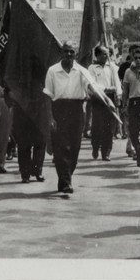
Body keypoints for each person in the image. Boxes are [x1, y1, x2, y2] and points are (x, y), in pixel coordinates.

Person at [43, 40, 98, 193]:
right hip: (59, 109)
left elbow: (91, 87)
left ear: (76, 54)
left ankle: (65, 178)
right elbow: (47, 96)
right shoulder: (52, 71)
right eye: (66, 51)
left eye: (71, 52)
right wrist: (50, 118)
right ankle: (66, 181)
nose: (68, 54)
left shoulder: (82, 71)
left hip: (76, 110)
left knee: (75, 147)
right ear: (62, 52)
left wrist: (97, 94)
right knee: (62, 147)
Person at [88, 45, 122, 161]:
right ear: (97, 55)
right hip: (98, 98)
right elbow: (92, 84)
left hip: (111, 97)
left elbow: (117, 82)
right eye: (104, 53)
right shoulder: (92, 68)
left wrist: (118, 94)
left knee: (109, 126)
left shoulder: (112, 67)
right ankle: (95, 147)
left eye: (108, 53)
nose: (106, 56)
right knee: (97, 125)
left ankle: (106, 152)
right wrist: (106, 89)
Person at [12, 98, 47, 184]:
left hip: (40, 107)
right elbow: (7, 86)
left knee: (40, 141)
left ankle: (37, 170)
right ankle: (25, 174)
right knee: (23, 142)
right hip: (21, 108)